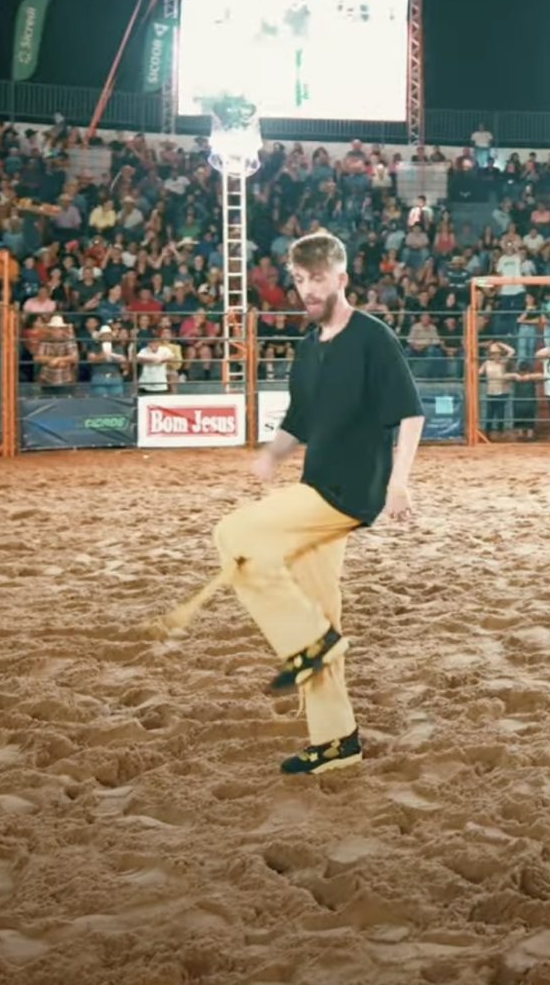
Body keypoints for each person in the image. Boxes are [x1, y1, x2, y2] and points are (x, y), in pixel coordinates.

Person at [212, 230, 425, 775]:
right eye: (301, 280)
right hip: (317, 484)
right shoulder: (308, 348)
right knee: (319, 610)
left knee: (232, 535)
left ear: (341, 278)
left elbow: (409, 412)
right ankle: (337, 740)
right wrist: (271, 456)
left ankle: (311, 641)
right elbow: (299, 420)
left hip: (352, 489)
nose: (308, 289)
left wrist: (400, 482)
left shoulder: (372, 336)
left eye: (319, 279)